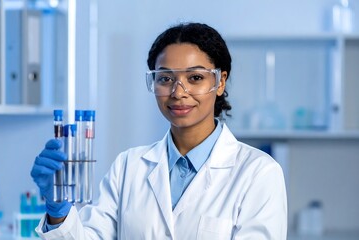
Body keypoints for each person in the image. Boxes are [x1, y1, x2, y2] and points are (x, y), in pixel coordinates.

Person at [31, 22, 287, 239]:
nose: (178, 92)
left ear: (220, 82)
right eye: (165, 78)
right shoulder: (128, 167)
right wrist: (59, 211)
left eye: (195, 78)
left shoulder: (258, 173)